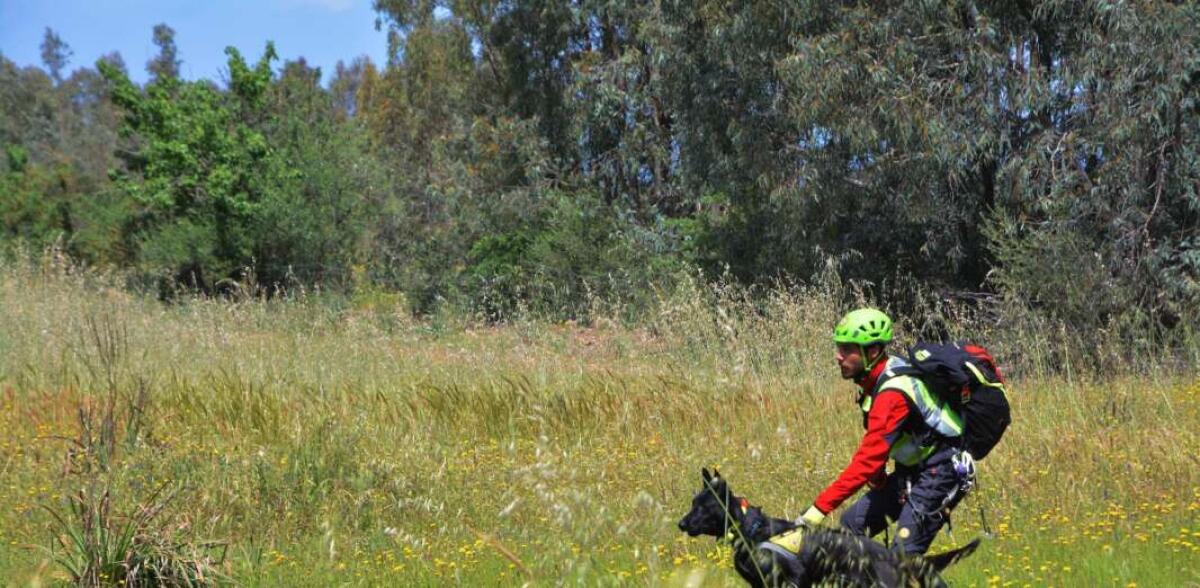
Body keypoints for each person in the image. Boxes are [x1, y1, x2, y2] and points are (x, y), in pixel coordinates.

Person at [795, 308, 971, 555]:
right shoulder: (880, 377)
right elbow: (883, 443)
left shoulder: (892, 394)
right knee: (851, 525)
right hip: (911, 471)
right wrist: (878, 477)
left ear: (873, 351)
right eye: (839, 347)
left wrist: (818, 510)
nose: (838, 356)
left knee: (903, 555)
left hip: (942, 471)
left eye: (847, 349)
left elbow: (867, 460)